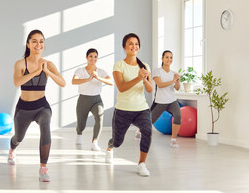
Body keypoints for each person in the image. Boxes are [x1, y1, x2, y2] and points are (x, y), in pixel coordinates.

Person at [8, 29, 66, 182]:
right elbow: (16, 82)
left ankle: (43, 168)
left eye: (41, 41)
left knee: (46, 125)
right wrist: (35, 73)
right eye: (34, 41)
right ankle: (12, 149)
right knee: (18, 137)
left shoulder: (49, 64)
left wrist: (47, 71)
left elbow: (63, 83)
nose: (38, 44)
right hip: (24, 108)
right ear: (28, 44)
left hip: (42, 106)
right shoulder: (20, 64)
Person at [105, 33, 153, 177]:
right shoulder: (118, 65)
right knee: (117, 141)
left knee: (147, 130)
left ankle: (141, 164)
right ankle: (109, 147)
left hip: (141, 108)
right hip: (123, 110)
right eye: (130, 43)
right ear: (125, 47)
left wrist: (144, 79)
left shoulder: (144, 66)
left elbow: (150, 89)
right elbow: (121, 87)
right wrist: (138, 77)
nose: (134, 46)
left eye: (136, 43)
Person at [72, 48, 113, 151]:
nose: (93, 59)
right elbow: (74, 81)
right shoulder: (80, 70)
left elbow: (110, 82)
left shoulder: (101, 71)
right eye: (90, 56)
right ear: (86, 57)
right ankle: (79, 132)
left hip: (96, 100)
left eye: (95, 57)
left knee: (100, 116)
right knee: (81, 123)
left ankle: (95, 142)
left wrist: (98, 77)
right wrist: (88, 79)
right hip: (83, 99)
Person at [151, 50, 181, 148]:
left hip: (172, 100)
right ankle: (139, 131)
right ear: (162, 59)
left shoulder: (174, 73)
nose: (169, 59)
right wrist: (173, 80)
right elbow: (160, 85)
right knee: (150, 120)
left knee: (178, 115)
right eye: (167, 57)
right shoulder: (157, 71)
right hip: (160, 101)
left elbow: (177, 88)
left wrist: (178, 80)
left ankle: (173, 140)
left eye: (171, 57)